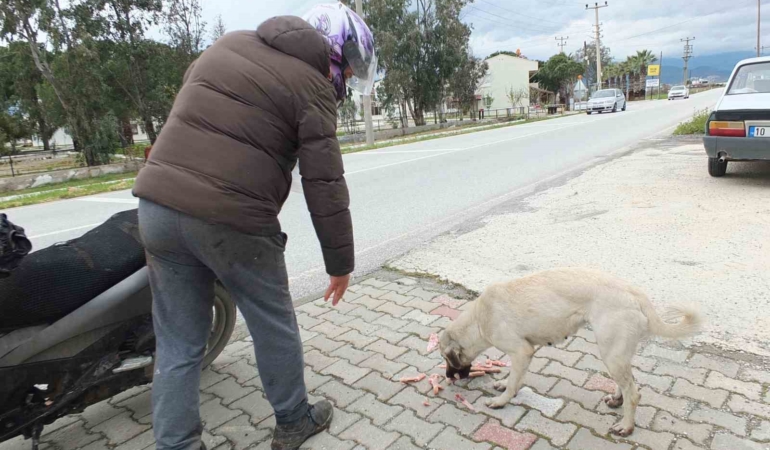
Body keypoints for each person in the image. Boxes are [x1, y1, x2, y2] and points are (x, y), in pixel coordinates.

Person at [132, 3, 376, 450]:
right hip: (232, 219)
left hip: (156, 207)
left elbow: (186, 116)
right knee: (272, 323)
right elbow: (324, 184)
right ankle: (294, 420)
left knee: (180, 341)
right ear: (333, 52)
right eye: (349, 66)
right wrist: (340, 264)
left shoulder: (226, 45)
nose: (344, 80)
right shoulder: (312, 86)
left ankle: (177, 444)